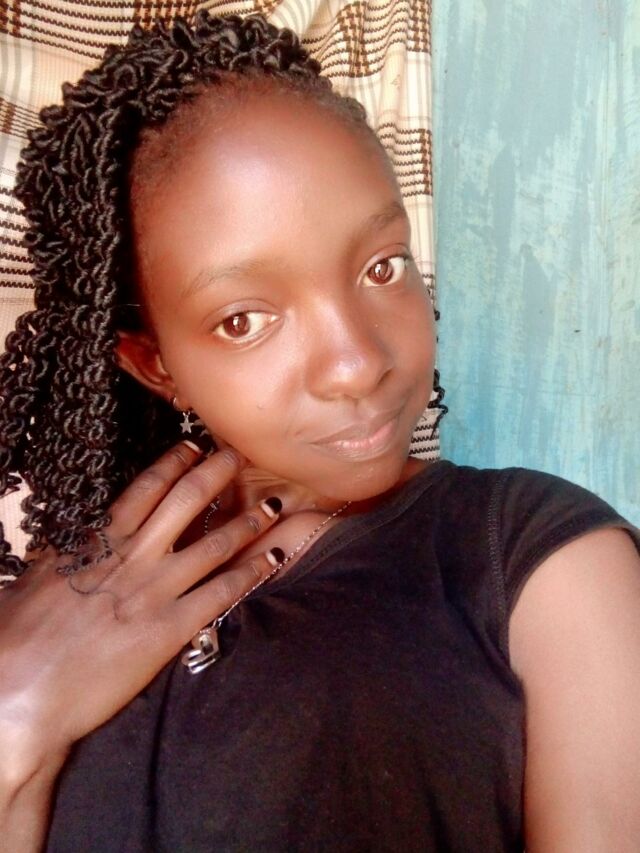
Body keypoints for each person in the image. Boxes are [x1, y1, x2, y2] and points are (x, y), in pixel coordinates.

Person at [0, 10, 638, 852]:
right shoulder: (49, 608)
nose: (357, 364)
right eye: (244, 319)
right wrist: (15, 720)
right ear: (155, 362)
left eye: (382, 266)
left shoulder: (536, 561)